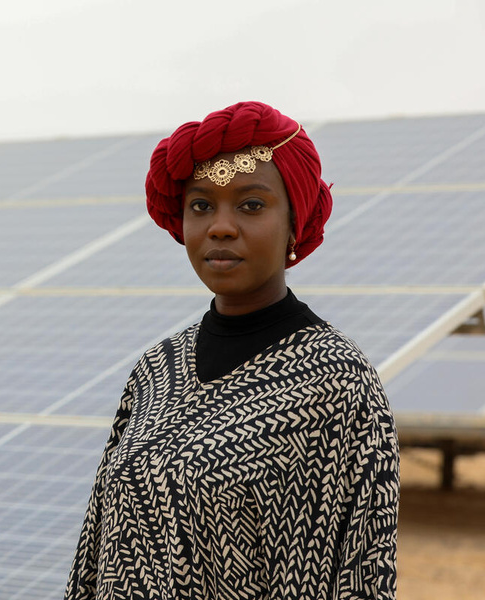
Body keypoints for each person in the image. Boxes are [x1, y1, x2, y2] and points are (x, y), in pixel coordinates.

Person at [64, 101, 399, 600]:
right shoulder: (157, 368)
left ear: (294, 221)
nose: (220, 226)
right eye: (201, 206)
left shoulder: (336, 381)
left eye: (251, 205)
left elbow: (356, 574)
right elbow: (95, 553)